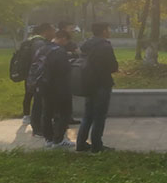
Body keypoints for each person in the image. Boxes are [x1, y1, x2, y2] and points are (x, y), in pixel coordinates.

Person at [76, 22, 119, 153]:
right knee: (99, 116)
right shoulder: (105, 46)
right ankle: (96, 145)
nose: (109, 31)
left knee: (88, 115)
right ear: (104, 31)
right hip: (102, 83)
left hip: (87, 83)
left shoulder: (86, 44)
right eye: (108, 29)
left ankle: (80, 143)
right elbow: (113, 66)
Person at [39, 30, 75, 148]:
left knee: (47, 113)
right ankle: (58, 140)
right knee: (64, 113)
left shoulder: (42, 49)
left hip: (44, 85)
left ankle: (48, 139)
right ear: (63, 38)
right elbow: (64, 69)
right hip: (59, 87)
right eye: (66, 41)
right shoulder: (59, 51)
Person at [27, 23, 56, 136]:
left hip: (36, 75)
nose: (54, 33)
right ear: (46, 31)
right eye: (53, 30)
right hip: (38, 76)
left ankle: (38, 126)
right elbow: (40, 61)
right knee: (39, 103)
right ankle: (37, 127)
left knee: (39, 101)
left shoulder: (36, 41)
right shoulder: (39, 43)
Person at [58, 21, 81, 125]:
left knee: (68, 96)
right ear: (63, 29)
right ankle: (59, 118)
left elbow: (78, 53)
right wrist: (70, 53)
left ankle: (68, 117)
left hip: (69, 72)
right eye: (70, 28)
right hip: (59, 74)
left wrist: (72, 53)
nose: (73, 31)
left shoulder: (71, 43)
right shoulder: (56, 43)